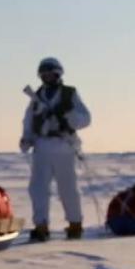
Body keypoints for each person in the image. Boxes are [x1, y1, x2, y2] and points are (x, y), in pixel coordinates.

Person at [20, 56, 92, 241]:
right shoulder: (37, 97)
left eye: (49, 72)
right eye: (43, 73)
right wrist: (27, 138)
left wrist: (67, 118)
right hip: (42, 146)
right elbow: (29, 119)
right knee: (38, 188)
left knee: (68, 188)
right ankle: (41, 226)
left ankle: (75, 224)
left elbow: (85, 118)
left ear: (57, 73)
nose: (46, 76)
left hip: (64, 146)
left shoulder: (69, 93)